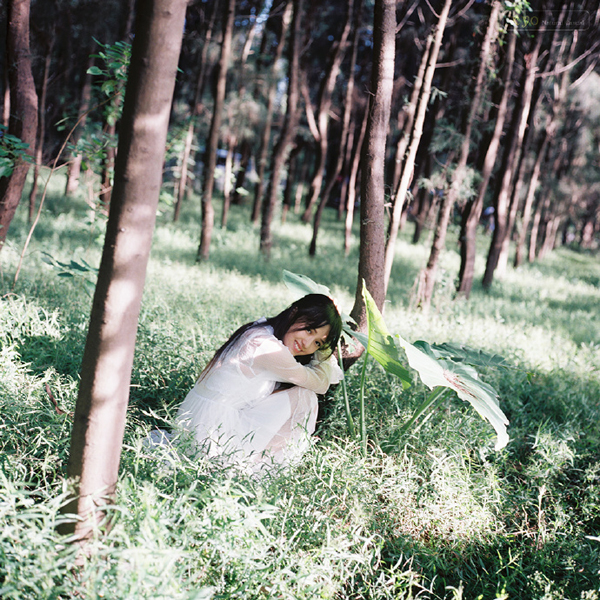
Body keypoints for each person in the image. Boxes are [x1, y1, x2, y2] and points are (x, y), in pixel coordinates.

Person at [175, 293, 343, 469]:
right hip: (210, 435)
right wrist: (325, 353)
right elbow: (321, 385)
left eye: (317, 343)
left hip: (198, 422)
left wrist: (326, 334)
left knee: (301, 393)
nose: (307, 344)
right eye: (309, 330)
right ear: (294, 313)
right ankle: (256, 467)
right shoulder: (268, 349)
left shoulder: (260, 331)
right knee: (304, 396)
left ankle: (255, 463)